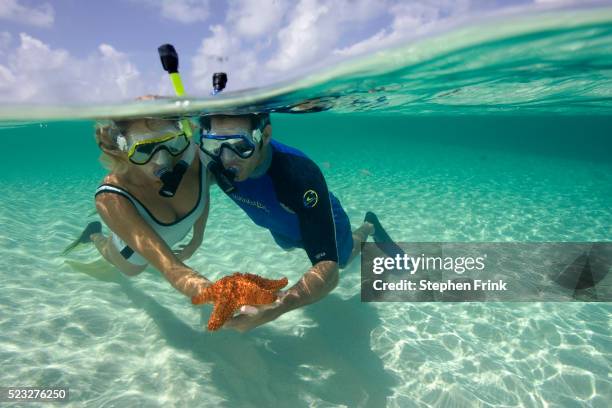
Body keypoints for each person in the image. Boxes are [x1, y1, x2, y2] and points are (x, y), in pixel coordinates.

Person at [198, 113, 395, 331]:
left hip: (321, 220)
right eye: (216, 144)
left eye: (240, 145)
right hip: (280, 226)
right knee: (290, 245)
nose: (226, 159)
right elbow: (194, 194)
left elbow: (328, 271)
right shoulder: (212, 160)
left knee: (342, 259)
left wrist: (275, 307)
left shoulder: (298, 175)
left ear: (265, 135)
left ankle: (369, 226)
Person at [64, 117, 212, 298]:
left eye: (171, 142)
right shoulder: (111, 196)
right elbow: (171, 268)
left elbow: (203, 194)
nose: (162, 160)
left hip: (163, 240)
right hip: (130, 256)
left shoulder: (195, 158)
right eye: (144, 149)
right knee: (122, 263)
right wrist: (220, 295)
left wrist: (197, 239)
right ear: (121, 149)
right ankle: (94, 235)